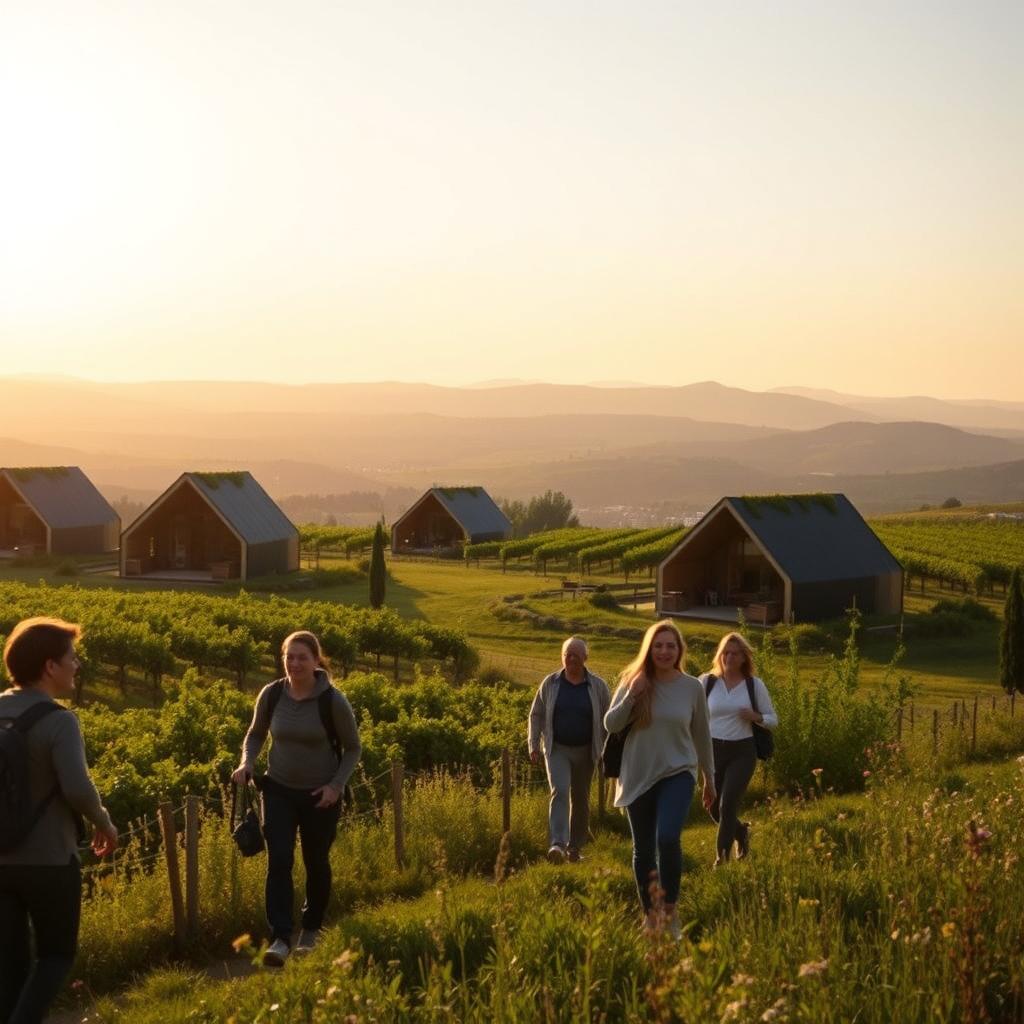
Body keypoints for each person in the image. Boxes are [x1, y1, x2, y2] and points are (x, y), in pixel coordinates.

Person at [0, 617, 118, 1024]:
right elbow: (77, 789)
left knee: (9, 966)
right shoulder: (59, 720)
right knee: (56, 955)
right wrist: (104, 822)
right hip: (49, 859)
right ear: (51, 667)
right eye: (72, 658)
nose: (77, 665)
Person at [232, 630, 361, 967]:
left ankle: (312, 928)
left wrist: (335, 786)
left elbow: (352, 748)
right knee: (279, 861)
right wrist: (247, 762)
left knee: (316, 860)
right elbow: (256, 733)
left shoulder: (332, 700)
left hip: (321, 795)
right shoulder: (272, 694)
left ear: (317, 661)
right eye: (290, 656)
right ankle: (280, 937)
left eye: (303, 656)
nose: (295, 663)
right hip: (278, 790)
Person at [604, 620, 714, 938]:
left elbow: (703, 736)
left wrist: (710, 778)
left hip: (678, 771)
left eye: (670, 645)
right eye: (658, 645)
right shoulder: (633, 680)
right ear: (649, 649)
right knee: (643, 849)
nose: (664, 651)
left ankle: (670, 910)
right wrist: (631, 697)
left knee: (667, 837)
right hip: (638, 773)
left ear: (679, 650)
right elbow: (611, 724)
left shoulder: (692, 687)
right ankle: (649, 916)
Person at [528, 636, 610, 864]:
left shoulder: (598, 686)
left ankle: (575, 847)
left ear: (586, 658)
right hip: (557, 749)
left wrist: (607, 751)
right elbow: (536, 715)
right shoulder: (550, 683)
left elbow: (608, 721)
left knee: (581, 798)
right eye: (567, 654)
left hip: (587, 751)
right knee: (560, 791)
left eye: (576, 654)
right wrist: (533, 744)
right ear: (562, 657)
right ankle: (558, 844)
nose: (571, 658)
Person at [700, 632, 777, 865]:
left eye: (735, 653)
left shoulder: (754, 685)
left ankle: (720, 860)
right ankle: (741, 832)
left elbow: (774, 719)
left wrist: (756, 716)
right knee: (714, 808)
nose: (729, 657)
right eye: (725, 652)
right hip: (712, 750)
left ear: (744, 657)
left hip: (742, 752)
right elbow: (692, 714)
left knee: (727, 804)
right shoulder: (706, 682)